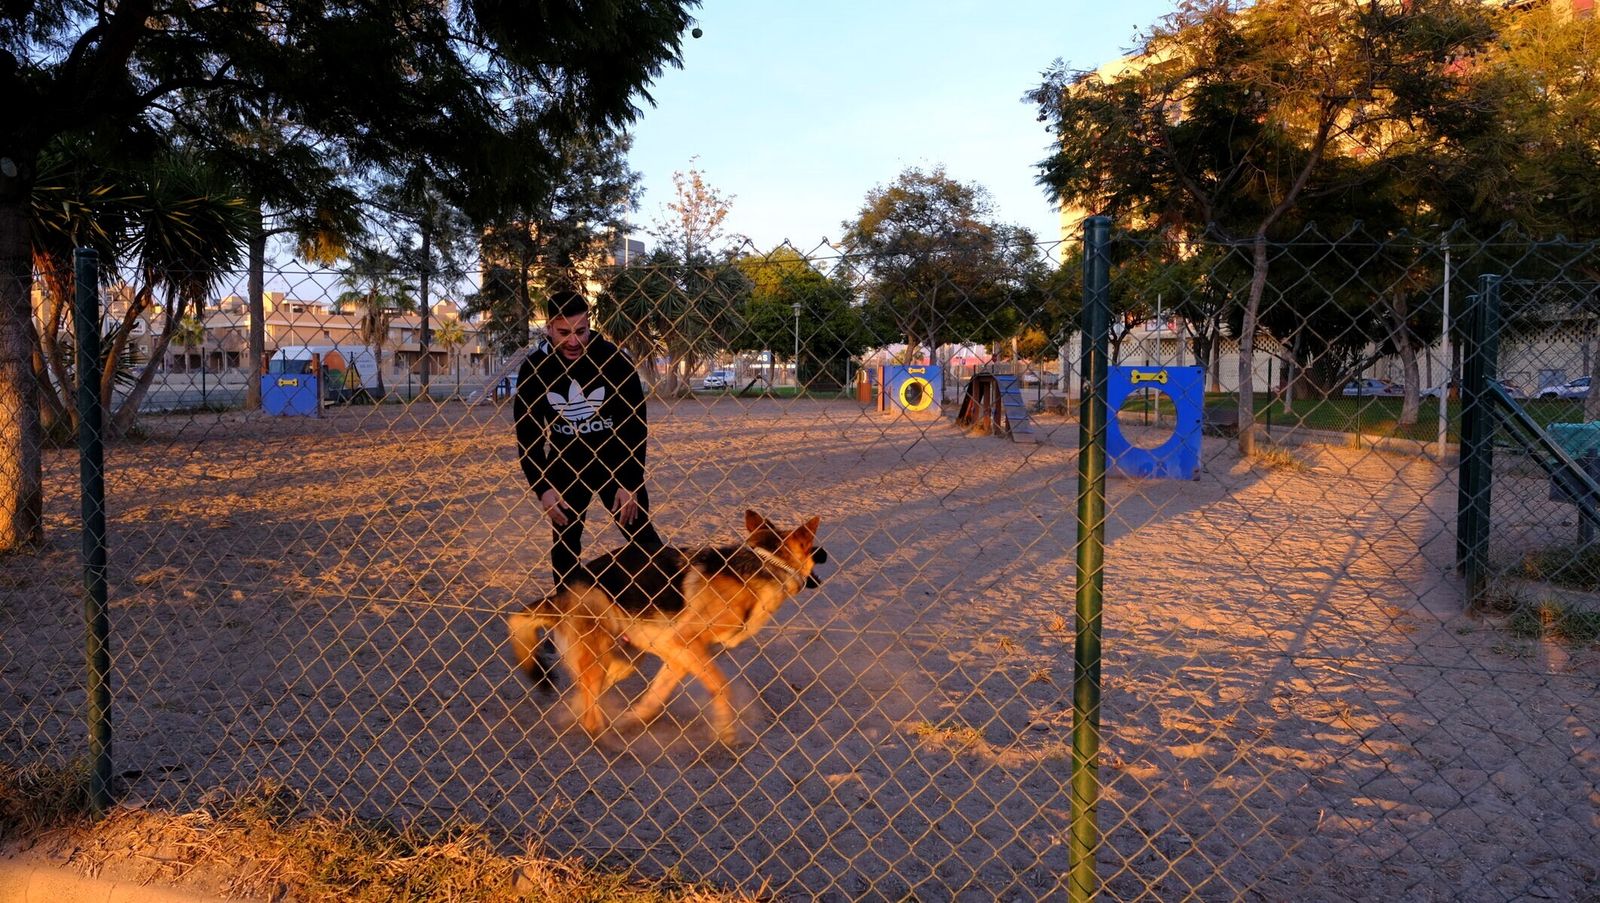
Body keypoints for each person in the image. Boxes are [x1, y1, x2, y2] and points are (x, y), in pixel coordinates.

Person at [514, 289, 663, 687]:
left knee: (644, 541)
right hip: (565, 468)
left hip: (616, 465)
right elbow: (528, 437)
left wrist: (630, 482)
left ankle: (663, 618)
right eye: (564, 332)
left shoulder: (614, 361)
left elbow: (635, 427)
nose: (574, 341)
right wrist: (543, 489)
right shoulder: (535, 369)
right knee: (565, 546)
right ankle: (569, 627)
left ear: (589, 323)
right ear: (548, 328)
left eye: (581, 330)